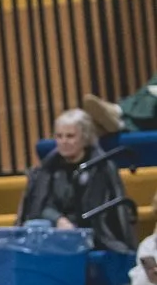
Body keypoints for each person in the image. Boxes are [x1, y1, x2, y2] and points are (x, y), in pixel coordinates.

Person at [20, 109, 138, 255]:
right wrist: (58, 219)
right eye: (59, 136)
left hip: (95, 237)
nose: (63, 141)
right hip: (55, 232)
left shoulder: (101, 167)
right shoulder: (48, 168)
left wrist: (75, 227)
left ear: (85, 138)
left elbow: (104, 213)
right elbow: (40, 205)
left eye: (70, 136)